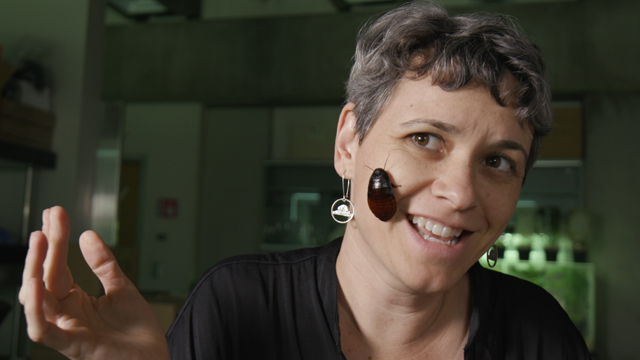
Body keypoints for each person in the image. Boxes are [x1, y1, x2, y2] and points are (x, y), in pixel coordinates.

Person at [20, 1, 591, 359]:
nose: (461, 194)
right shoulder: (237, 306)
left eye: (497, 161)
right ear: (349, 142)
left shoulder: (538, 332)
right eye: (424, 139)